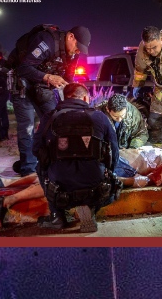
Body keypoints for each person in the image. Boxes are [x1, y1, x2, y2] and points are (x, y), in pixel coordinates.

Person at [0, 146, 162, 228]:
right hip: (115, 160)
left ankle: (8, 197)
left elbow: (145, 181)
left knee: (59, 177)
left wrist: (114, 177)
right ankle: (7, 186)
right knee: (58, 171)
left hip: (118, 167)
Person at [32, 82, 119, 232]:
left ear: (64, 98)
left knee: (40, 167)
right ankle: (91, 208)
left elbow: (36, 149)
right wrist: (108, 172)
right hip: (95, 182)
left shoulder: (50, 117)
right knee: (105, 172)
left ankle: (57, 216)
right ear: (85, 98)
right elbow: (115, 152)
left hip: (59, 184)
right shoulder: (100, 117)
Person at [11, 25, 91, 175]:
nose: (78, 51)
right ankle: (28, 169)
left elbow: (68, 78)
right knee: (27, 126)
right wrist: (48, 77)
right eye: (78, 47)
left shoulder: (73, 54)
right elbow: (23, 68)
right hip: (22, 85)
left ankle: (52, 161)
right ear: (70, 37)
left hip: (42, 87)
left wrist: (76, 98)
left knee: (55, 122)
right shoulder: (46, 41)